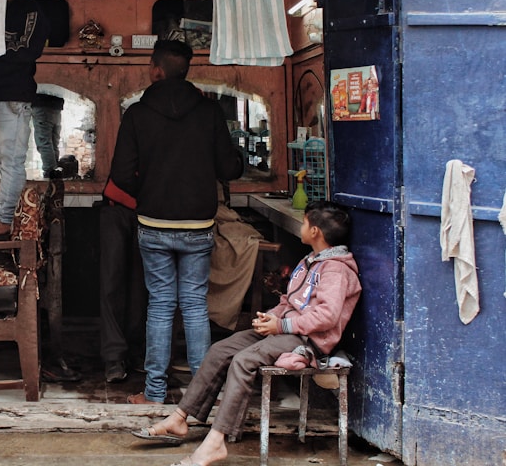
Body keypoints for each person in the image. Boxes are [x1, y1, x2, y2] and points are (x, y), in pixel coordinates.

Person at [131, 200, 362, 466]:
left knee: (243, 361)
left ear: (316, 232)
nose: (302, 225)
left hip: (307, 339)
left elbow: (327, 317)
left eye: (306, 222)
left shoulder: (336, 269)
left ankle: (216, 442)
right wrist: (272, 317)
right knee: (219, 351)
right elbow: (289, 301)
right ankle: (179, 418)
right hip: (286, 328)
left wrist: (282, 326)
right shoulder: (309, 260)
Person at [109, 39, 244, 405]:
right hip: (198, 226)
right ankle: (201, 396)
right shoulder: (209, 112)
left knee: (161, 305)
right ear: (186, 70)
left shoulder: (137, 114)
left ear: (156, 69)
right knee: (196, 306)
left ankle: (154, 394)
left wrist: (149, 190)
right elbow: (229, 168)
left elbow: (120, 175)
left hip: (153, 224)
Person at [0, 0, 50, 239]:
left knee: (11, 160)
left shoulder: (31, 10)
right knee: (2, 160)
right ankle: (6, 218)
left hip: (14, 94)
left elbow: (29, 49)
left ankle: (7, 220)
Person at [99, 177, 146, 383]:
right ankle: (114, 356)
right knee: (111, 282)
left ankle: (136, 349)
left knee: (142, 286)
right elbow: (121, 170)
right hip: (116, 205)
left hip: (152, 209)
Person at [32, 93, 64, 177]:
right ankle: (55, 173)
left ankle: (50, 173)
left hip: (41, 103)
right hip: (57, 104)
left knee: (44, 142)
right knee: (53, 143)